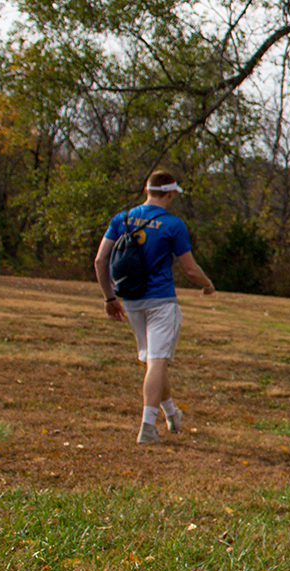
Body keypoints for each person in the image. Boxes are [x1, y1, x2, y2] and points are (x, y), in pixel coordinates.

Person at [94, 170, 216, 444]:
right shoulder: (173, 224)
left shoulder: (122, 219)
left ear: (147, 190)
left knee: (153, 362)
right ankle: (148, 426)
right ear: (170, 193)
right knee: (157, 361)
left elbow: (101, 261)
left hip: (131, 299)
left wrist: (109, 298)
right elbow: (190, 270)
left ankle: (172, 415)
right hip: (161, 301)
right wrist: (208, 285)